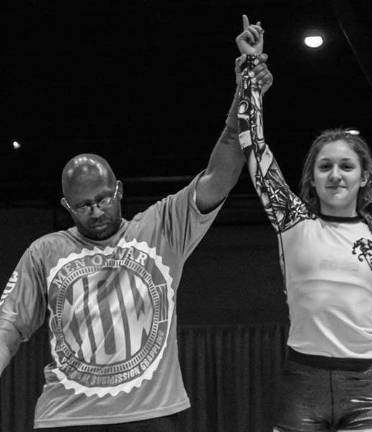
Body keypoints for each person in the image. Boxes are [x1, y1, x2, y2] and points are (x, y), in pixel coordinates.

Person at [0, 63, 273, 431]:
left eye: (103, 199)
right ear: (67, 207)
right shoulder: (44, 251)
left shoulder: (161, 226)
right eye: (83, 205)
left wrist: (246, 97)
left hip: (151, 415)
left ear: (119, 191)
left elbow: (219, 175)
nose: (96, 211)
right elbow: (8, 326)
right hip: (66, 416)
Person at [234, 16, 372, 432]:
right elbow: (254, 146)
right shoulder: (292, 220)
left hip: (368, 383)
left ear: (364, 177)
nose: (335, 174)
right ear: (312, 178)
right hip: (302, 381)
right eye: (325, 166)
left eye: (345, 165)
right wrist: (249, 72)